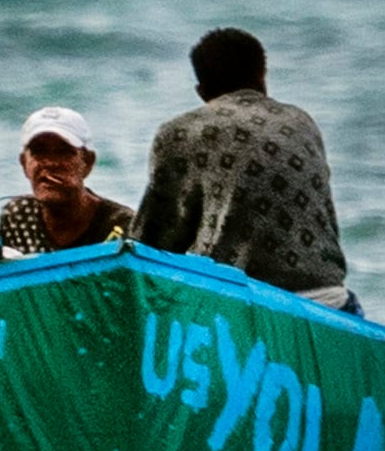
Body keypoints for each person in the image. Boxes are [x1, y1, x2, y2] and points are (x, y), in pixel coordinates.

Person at [136, 28, 354, 309]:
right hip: (331, 300)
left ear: (201, 91)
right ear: (262, 75)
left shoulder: (179, 132)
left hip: (245, 306)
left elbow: (154, 242)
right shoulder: (302, 122)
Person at [0, 106, 137, 264]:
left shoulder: (121, 225)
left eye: (64, 152)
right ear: (24, 164)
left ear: (87, 162)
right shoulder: (18, 215)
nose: (50, 163)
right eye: (39, 152)